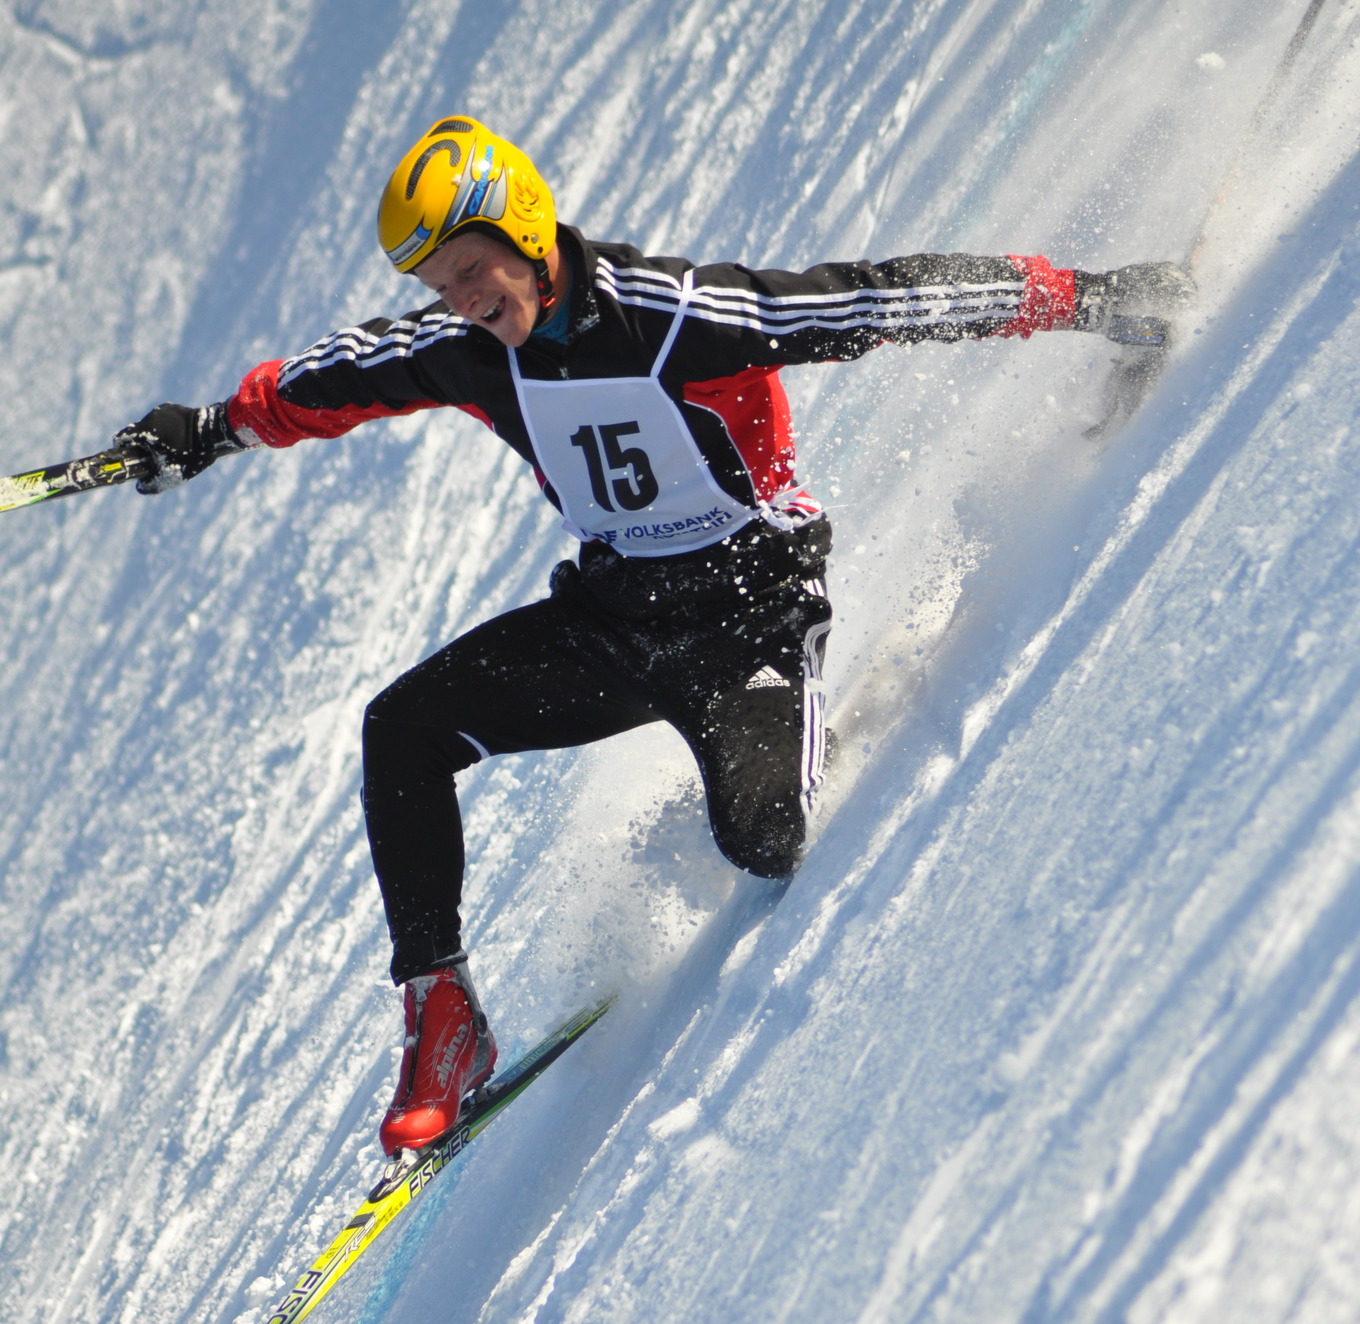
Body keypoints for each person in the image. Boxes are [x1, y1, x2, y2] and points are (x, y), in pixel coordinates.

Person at [114, 117, 1189, 1157]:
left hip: (748, 617)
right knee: (403, 725)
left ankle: (814, 732)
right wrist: (211, 430)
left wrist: (1088, 299)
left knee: (765, 843)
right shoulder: (473, 352)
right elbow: (344, 376)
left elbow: (872, 298)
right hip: (613, 624)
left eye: (472, 268)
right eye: (441, 287)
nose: (464, 301)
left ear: (527, 229)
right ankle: (442, 1015)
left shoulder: (676, 314)